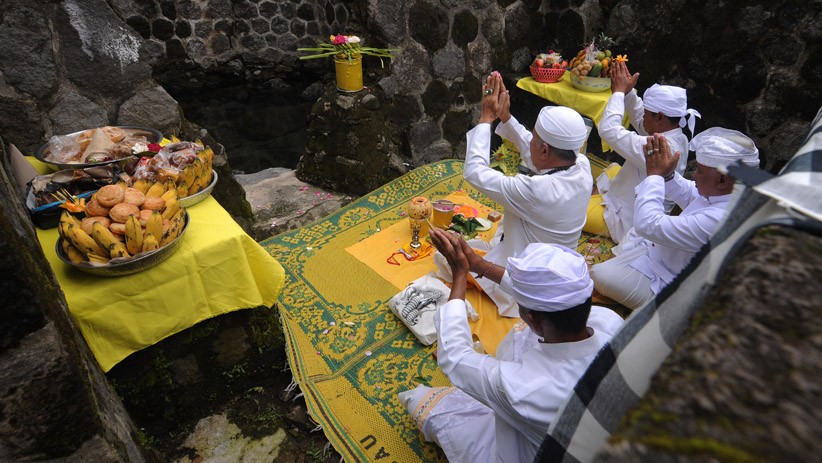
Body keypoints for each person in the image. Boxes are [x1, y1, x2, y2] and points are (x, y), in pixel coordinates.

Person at [399, 228, 624, 463]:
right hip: (590, 440)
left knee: (421, 402)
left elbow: (455, 358)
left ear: (533, 318)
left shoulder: (526, 387)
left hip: (528, 453)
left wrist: (459, 275)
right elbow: (546, 297)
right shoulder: (610, 323)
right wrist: (479, 265)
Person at [447, 72, 591, 316]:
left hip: (528, 281)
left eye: (535, 138)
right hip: (554, 265)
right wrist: (506, 117)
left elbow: (474, 172)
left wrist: (485, 119)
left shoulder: (537, 190)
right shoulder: (581, 165)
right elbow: (533, 150)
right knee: (476, 245)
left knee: (448, 258)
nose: (530, 140)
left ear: (545, 149)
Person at [590, 128, 760, 310]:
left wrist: (654, 175)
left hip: (677, 285)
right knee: (635, 234)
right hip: (664, 257)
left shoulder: (723, 218)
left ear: (721, 180)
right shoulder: (734, 191)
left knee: (600, 275)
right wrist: (668, 175)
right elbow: (690, 193)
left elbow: (647, 225)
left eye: (700, 171)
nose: (694, 175)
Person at [585, 60, 701, 243]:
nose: (643, 116)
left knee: (565, 206)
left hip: (625, 222)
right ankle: (594, 193)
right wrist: (629, 92)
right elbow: (641, 120)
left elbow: (609, 130)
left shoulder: (660, 146)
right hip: (629, 199)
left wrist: (618, 94)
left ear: (660, 117)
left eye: (648, 112)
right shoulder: (676, 134)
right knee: (610, 170)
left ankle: (592, 199)